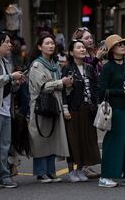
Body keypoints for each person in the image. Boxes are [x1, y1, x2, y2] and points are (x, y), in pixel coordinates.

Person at [98, 35, 125, 188]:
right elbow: (102, 92)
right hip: (116, 110)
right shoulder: (107, 67)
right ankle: (105, 176)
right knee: (114, 143)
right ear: (112, 50)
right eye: (119, 45)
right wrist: (122, 92)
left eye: (124, 44)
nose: (123, 46)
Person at [28, 34, 73, 183]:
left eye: (52, 43)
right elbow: (43, 87)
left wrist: (66, 84)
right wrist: (61, 82)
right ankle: (41, 173)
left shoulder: (54, 64)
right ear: (40, 47)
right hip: (41, 107)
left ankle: (51, 171)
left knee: (52, 137)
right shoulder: (37, 65)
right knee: (41, 138)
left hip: (54, 105)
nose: (51, 46)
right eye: (47, 43)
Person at [0, 32, 25, 190]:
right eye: (7, 42)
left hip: (5, 110)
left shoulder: (5, 61)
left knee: (4, 146)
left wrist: (17, 82)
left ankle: (3, 176)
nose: (10, 45)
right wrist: (10, 77)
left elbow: (7, 85)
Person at [61, 40, 101, 182]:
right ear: (72, 52)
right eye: (79, 47)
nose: (82, 49)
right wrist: (65, 108)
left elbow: (96, 87)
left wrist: (96, 104)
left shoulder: (90, 68)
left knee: (86, 140)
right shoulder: (67, 68)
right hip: (73, 109)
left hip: (88, 109)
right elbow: (62, 91)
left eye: (83, 47)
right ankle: (71, 171)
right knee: (73, 141)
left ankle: (80, 170)